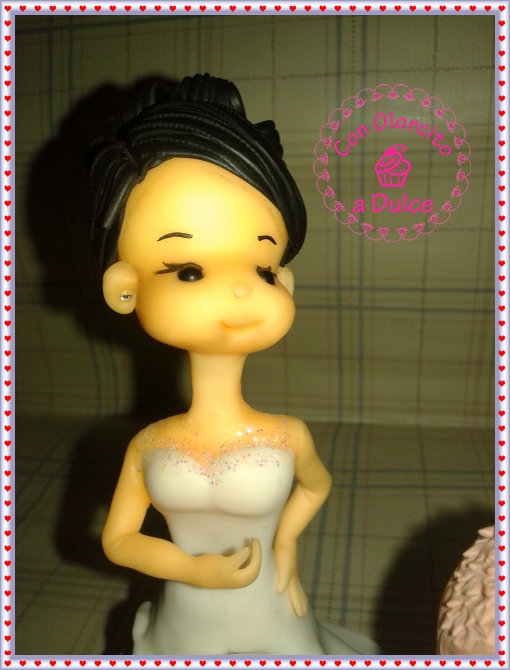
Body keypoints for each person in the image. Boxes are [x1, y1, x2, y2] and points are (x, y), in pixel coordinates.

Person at [87, 74, 378, 655]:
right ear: (125, 287)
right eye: (189, 270)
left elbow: (316, 486)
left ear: (284, 283)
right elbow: (118, 540)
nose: (243, 288)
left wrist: (286, 544)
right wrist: (192, 570)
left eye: (263, 269)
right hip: (185, 618)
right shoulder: (148, 446)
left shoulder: (287, 436)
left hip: (271, 607)